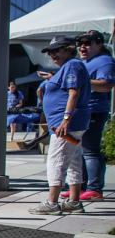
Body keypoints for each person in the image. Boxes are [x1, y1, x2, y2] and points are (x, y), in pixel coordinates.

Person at [29, 36, 91, 215]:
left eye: (57, 50)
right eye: (50, 52)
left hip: (66, 125)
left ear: (68, 49)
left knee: (56, 161)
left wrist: (66, 118)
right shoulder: (70, 67)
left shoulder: (72, 65)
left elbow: (74, 93)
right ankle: (73, 201)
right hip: (71, 123)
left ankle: (52, 203)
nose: (52, 55)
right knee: (73, 161)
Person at [70, 30, 114, 202]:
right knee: (80, 151)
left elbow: (106, 85)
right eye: (80, 43)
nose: (82, 46)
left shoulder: (104, 61)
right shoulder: (86, 61)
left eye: (88, 43)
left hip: (94, 111)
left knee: (90, 151)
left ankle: (94, 188)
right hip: (82, 111)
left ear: (99, 44)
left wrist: (79, 83)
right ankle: (81, 187)